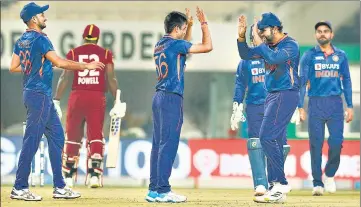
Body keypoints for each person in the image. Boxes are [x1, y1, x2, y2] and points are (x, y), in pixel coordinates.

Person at [9, 2, 104, 201]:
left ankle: (60, 186)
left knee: (58, 137)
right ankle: (19, 187)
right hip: (39, 95)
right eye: (42, 15)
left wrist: (35, 68)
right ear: (34, 19)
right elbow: (60, 62)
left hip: (34, 93)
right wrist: (86, 65)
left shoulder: (22, 40)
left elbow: (14, 66)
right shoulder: (41, 39)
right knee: (31, 141)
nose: (45, 18)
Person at [145, 7, 213, 203]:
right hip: (171, 98)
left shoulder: (160, 44)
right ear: (176, 29)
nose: (185, 32)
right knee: (169, 144)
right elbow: (207, 46)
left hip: (158, 96)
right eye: (183, 29)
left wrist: (189, 26)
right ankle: (164, 190)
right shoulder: (175, 45)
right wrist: (204, 24)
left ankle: (154, 190)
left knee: (158, 145)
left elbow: (183, 45)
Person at [53, 24, 126, 188]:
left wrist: (56, 99)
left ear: (84, 37)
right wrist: (117, 99)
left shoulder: (73, 53)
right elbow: (111, 78)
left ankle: (69, 175)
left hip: (77, 96)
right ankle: (94, 175)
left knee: (72, 134)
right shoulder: (105, 54)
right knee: (95, 134)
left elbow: (65, 77)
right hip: (96, 96)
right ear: (98, 38)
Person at [237, 12, 299, 203]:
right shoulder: (269, 46)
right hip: (273, 95)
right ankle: (276, 188)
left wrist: (259, 42)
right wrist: (241, 37)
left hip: (285, 93)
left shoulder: (290, 45)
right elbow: (245, 54)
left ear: (274, 28)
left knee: (266, 137)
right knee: (274, 140)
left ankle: (280, 183)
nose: (261, 34)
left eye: (263, 30)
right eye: (260, 31)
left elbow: (272, 59)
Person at [296, 21, 353, 196]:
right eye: (319, 31)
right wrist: (300, 106)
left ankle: (329, 175)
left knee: (336, 144)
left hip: (336, 104)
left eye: (326, 31)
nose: (322, 34)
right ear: (316, 35)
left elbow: (347, 81)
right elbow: (302, 83)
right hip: (316, 103)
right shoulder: (309, 56)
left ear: (331, 34)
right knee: (315, 145)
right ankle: (317, 183)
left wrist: (349, 105)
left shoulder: (341, 55)